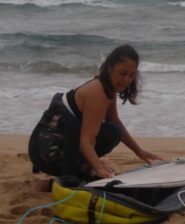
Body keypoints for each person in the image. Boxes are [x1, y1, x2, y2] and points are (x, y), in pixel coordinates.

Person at [28, 44, 160, 189]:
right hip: (45, 150)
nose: (127, 80)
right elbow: (86, 141)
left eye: (131, 75)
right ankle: (54, 184)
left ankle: (75, 173)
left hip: (61, 143)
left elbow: (114, 122)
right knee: (94, 177)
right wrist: (98, 167)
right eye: (122, 73)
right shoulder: (97, 92)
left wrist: (140, 152)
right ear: (110, 68)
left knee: (113, 132)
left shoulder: (109, 88)